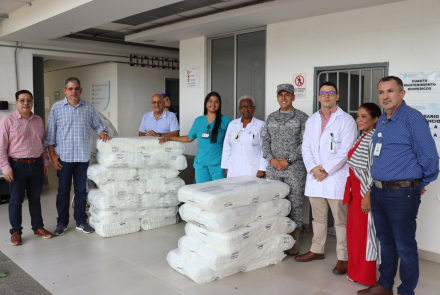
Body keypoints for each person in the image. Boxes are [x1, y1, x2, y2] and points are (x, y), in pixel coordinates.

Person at [358, 76, 439, 295]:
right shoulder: (383, 120)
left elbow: (430, 157)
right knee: (386, 242)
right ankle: (385, 286)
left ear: (402, 94)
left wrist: (417, 183)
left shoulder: (412, 118)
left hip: (402, 193)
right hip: (379, 191)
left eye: (390, 91)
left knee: (405, 247)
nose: (385, 96)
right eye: (381, 92)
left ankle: (406, 292)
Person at [297, 81, 357, 276]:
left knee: (340, 220)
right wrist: (314, 168)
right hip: (315, 176)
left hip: (335, 177)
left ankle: (343, 257)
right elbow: (305, 147)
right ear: (318, 97)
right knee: (318, 218)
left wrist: (326, 170)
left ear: (337, 96)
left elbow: (346, 150)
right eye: (323, 93)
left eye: (331, 93)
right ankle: (317, 250)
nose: (327, 96)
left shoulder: (346, 120)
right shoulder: (312, 120)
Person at [44, 77, 111, 235]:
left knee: (81, 191)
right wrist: (53, 156)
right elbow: (50, 135)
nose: (73, 91)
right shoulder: (57, 108)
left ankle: (81, 221)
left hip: (82, 157)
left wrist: (102, 132)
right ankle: (62, 223)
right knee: (63, 192)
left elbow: (98, 125)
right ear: (65, 90)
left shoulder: (88, 107)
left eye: (76, 88)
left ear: (80, 90)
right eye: (70, 88)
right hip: (64, 159)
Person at [0, 90, 53, 245]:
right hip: (17, 166)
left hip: (36, 165)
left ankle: (38, 227)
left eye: (29, 100)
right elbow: (2, 147)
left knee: (35, 199)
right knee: (16, 201)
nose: (25, 103)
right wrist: (5, 167)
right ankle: (16, 232)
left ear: (32, 102)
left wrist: (44, 162)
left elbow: (42, 144)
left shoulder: (38, 121)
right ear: (16, 102)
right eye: (22, 100)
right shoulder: (7, 121)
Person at [262, 84, 309, 256]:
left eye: (287, 95)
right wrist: (271, 160)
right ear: (277, 97)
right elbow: (265, 140)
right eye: (280, 95)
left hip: (294, 168)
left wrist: (288, 160)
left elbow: (306, 143)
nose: (284, 98)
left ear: (293, 97)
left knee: (295, 203)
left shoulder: (302, 117)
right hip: (274, 168)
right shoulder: (271, 117)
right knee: (274, 203)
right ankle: (275, 235)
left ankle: (293, 238)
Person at [344, 103, 382, 286]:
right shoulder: (363, 137)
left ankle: (366, 276)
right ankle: (354, 271)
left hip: (364, 192)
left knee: (365, 235)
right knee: (354, 234)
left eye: (364, 116)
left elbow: (374, 169)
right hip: (355, 192)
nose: (359, 119)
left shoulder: (374, 138)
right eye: (358, 116)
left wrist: (367, 194)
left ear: (375, 119)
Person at [159, 92, 232, 183]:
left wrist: (228, 166)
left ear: (219, 104)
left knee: (219, 192)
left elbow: (232, 144)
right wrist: (170, 138)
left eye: (216, 101)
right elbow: (189, 138)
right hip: (201, 165)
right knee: (202, 192)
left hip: (219, 165)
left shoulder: (226, 121)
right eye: (210, 101)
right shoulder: (199, 121)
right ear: (206, 104)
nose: (213, 104)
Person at [221, 95, 267, 178]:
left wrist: (262, 168)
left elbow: (265, 149)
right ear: (239, 109)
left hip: (253, 169)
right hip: (234, 168)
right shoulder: (232, 124)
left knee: (252, 190)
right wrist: (226, 166)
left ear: (254, 108)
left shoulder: (261, 125)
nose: (246, 109)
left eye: (249, 106)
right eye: (243, 107)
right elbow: (227, 146)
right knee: (234, 189)